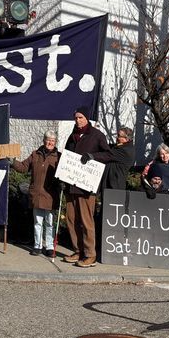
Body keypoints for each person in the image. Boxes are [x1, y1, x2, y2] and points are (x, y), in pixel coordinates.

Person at [63, 106, 110, 268]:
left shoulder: (97, 135)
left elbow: (108, 154)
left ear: (87, 118)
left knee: (86, 220)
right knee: (71, 219)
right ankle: (78, 251)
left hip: (86, 187)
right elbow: (66, 156)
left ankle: (90, 254)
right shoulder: (73, 135)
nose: (78, 120)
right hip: (71, 184)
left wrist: (93, 157)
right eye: (76, 118)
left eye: (81, 118)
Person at [12, 131, 61, 257]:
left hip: (50, 195)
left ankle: (50, 247)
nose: (50, 142)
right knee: (37, 222)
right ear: (44, 140)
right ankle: (37, 246)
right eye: (48, 140)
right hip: (37, 194)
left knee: (50, 223)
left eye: (52, 140)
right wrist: (12, 162)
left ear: (55, 142)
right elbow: (23, 167)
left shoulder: (59, 157)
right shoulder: (35, 154)